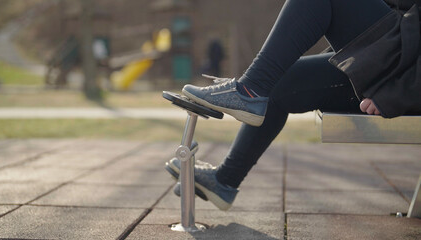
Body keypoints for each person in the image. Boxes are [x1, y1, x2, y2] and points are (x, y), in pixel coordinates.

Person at [166, 0, 421, 211]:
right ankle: (225, 179)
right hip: (397, 56)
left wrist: (400, 91)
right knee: (277, 83)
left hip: (406, 72)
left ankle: (248, 90)